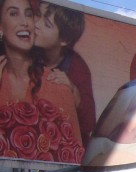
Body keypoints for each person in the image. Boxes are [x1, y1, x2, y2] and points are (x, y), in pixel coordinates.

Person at [0, 0, 82, 162]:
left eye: (29, 15)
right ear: (1, 27)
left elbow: (75, 160)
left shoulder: (57, 86)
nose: (24, 22)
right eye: (14, 13)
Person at [34, 1, 95, 146]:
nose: (36, 24)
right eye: (38, 16)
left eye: (47, 24)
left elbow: (89, 125)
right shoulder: (26, 48)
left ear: (64, 40)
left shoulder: (78, 68)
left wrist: (72, 91)